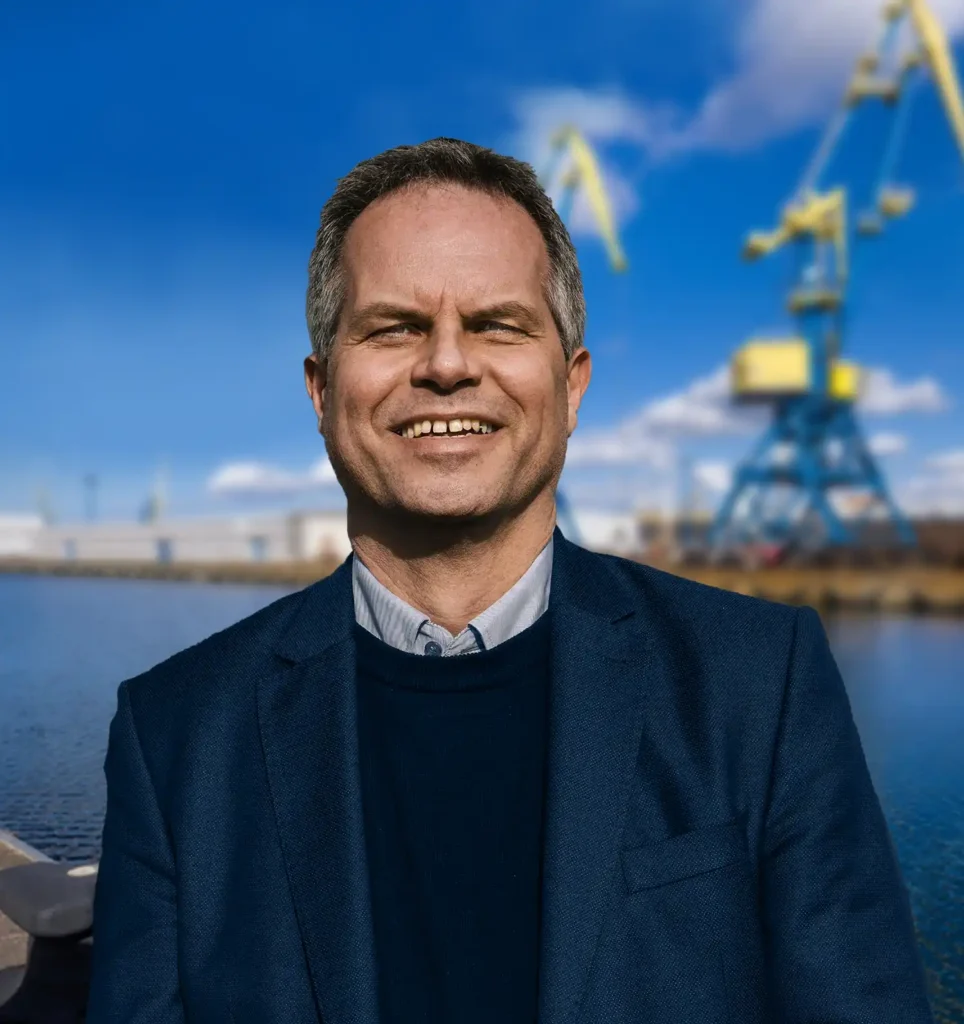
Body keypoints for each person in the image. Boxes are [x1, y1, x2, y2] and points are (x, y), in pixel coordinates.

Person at [86, 138, 934, 1024]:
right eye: (393, 327)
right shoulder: (176, 733)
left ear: (571, 388)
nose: (447, 364)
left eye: (497, 324)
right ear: (320, 391)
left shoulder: (761, 685)